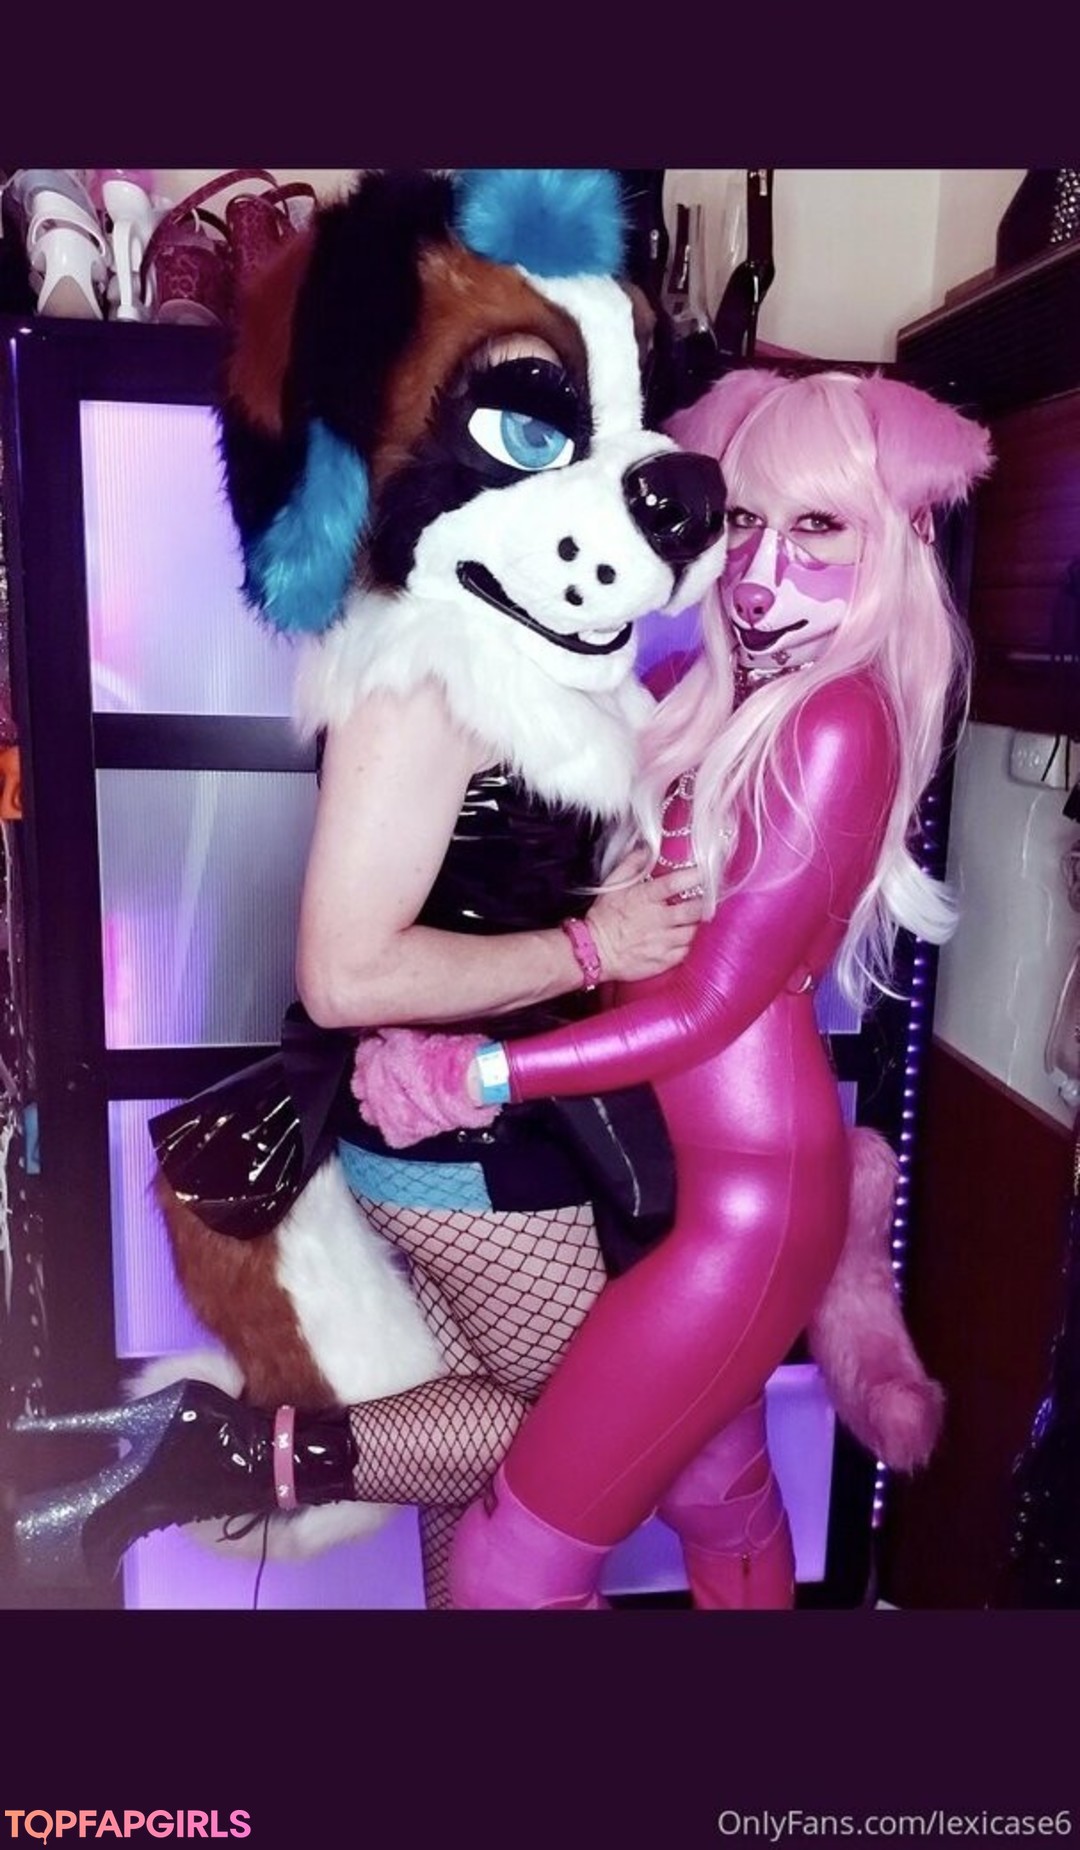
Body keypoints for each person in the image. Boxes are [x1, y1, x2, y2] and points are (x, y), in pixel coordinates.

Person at [5, 179, 963, 1608]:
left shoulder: (539, 660)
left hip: (501, 1125)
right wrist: (592, 939)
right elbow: (344, 971)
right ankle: (226, 1449)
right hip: (468, 1137)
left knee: (527, 1473)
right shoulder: (425, 670)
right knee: (588, 1440)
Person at [346, 364, 993, 1608]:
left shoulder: (835, 723)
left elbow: (706, 1010)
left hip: (744, 1213)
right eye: (744, 521)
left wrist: (478, 1069)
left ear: (893, 544)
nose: (758, 574)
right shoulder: (717, 705)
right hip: (669, 1175)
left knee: (505, 1566)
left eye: (818, 527)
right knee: (719, 1496)